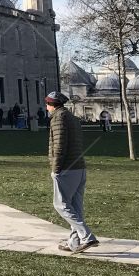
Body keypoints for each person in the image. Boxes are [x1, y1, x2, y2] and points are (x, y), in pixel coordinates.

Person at [46, 91, 99, 253]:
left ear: (51, 105)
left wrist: (56, 169)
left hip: (67, 167)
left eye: (47, 104)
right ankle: (74, 243)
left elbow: (59, 145)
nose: (46, 107)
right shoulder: (71, 117)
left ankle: (87, 236)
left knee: (60, 205)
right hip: (79, 167)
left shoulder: (58, 118)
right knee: (75, 207)